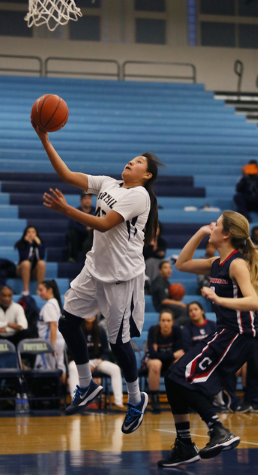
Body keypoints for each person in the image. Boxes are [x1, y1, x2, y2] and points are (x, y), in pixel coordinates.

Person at [32, 118, 162, 434]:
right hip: (94, 268)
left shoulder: (139, 196)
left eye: (138, 162)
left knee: (118, 343)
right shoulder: (108, 183)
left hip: (121, 277)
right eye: (131, 159)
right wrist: (45, 139)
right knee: (67, 322)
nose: (130, 162)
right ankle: (87, 385)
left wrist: (66, 211)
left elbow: (103, 225)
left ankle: (135, 398)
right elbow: (65, 174)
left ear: (146, 176)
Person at [158, 210, 258, 467]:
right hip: (225, 333)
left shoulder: (237, 263)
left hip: (238, 335)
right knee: (174, 377)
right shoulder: (217, 262)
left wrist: (218, 298)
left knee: (182, 379)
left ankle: (218, 430)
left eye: (215, 225)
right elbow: (181, 263)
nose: (211, 227)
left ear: (226, 234)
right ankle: (185, 445)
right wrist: (200, 232)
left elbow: (253, 303)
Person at [68, 314, 125, 410]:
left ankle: (118, 403)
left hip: (97, 361)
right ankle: (76, 403)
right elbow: (72, 351)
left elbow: (105, 351)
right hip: (81, 361)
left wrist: (97, 361)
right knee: (72, 367)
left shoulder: (100, 330)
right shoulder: (77, 329)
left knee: (116, 369)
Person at [143, 309, 184, 413]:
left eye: (168, 320)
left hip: (169, 363)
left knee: (180, 363)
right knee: (156, 364)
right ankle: (155, 399)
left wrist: (162, 355)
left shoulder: (177, 331)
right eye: (163, 320)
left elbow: (181, 352)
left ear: (172, 322)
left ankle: (179, 398)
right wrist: (173, 354)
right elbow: (153, 355)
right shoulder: (153, 330)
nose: (166, 323)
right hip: (153, 363)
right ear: (159, 321)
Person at [36, 280, 66, 385]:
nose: (38, 293)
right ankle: (63, 396)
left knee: (52, 370)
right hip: (55, 341)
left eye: (41, 290)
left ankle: (59, 395)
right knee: (59, 367)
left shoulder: (50, 305)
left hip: (51, 342)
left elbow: (53, 325)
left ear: (50, 290)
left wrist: (52, 345)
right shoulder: (54, 303)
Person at [151, 261, 189, 326]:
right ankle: (171, 326)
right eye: (165, 268)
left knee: (189, 309)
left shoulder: (166, 281)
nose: (169, 270)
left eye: (170, 268)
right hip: (162, 307)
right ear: (160, 270)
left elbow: (169, 297)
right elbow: (164, 301)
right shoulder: (158, 282)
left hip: (167, 306)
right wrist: (179, 303)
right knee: (186, 312)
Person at [15, 226, 46, 296]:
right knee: (26, 263)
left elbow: (41, 257)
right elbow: (25, 258)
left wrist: (38, 245)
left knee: (42, 263)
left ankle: (39, 289)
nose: (31, 234)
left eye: (33, 232)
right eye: (28, 232)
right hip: (22, 270)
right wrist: (29, 244)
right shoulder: (21, 244)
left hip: (34, 271)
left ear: (36, 234)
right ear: (25, 234)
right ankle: (26, 290)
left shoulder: (40, 244)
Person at [67, 193, 95, 262]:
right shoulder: (76, 211)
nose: (87, 200)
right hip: (79, 238)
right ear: (81, 201)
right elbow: (72, 225)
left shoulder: (95, 211)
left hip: (91, 237)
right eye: (85, 198)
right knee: (72, 232)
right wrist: (85, 229)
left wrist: (91, 228)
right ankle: (73, 257)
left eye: (89, 198)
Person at [143, 222, 167, 286]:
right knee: (151, 262)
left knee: (163, 264)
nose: (156, 229)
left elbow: (162, 254)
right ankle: (150, 284)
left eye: (158, 227)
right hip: (146, 262)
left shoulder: (162, 242)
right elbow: (145, 254)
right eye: (154, 228)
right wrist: (155, 251)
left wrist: (152, 252)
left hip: (158, 261)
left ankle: (161, 285)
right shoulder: (145, 241)